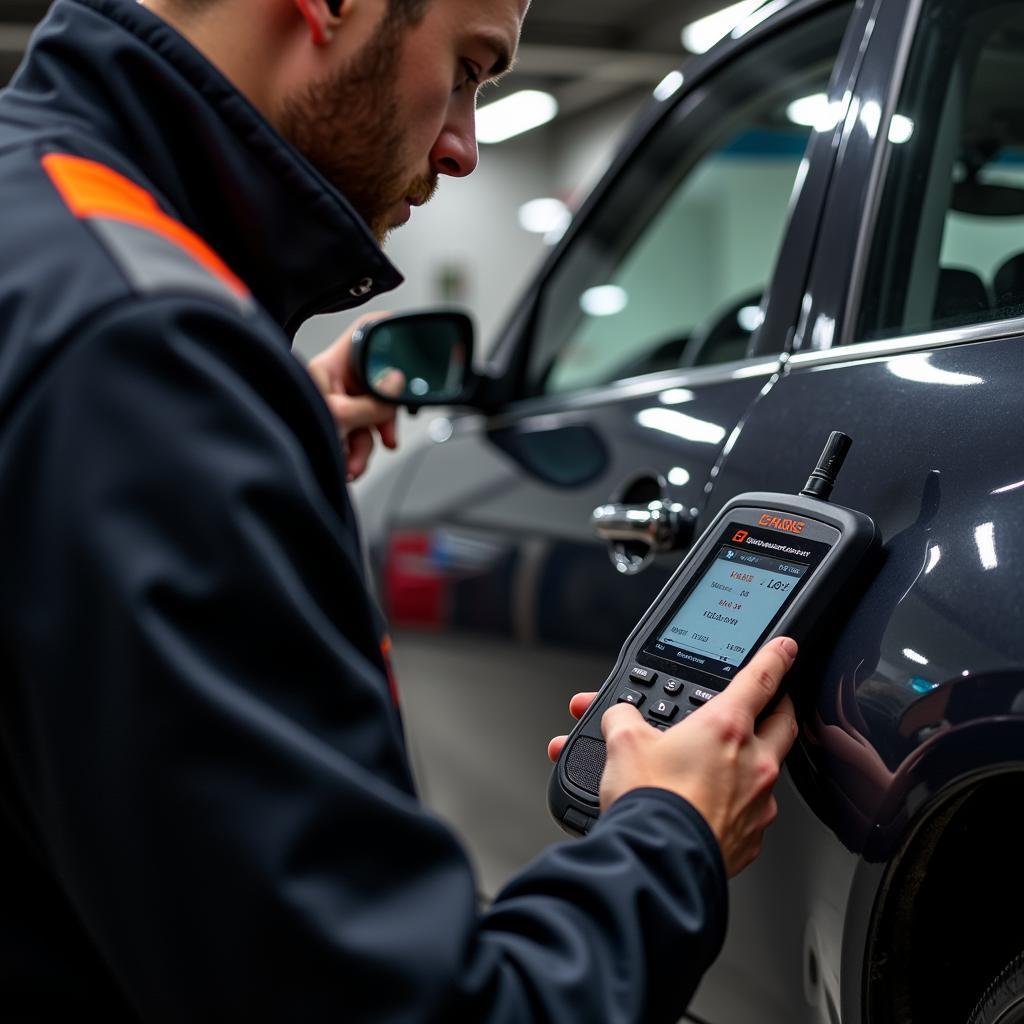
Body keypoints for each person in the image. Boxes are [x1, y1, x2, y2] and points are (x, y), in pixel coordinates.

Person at [0, 0, 799, 1020]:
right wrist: (669, 834)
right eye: (466, 69)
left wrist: (245, 455)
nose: (462, 146)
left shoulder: (51, 234)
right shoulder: (143, 363)